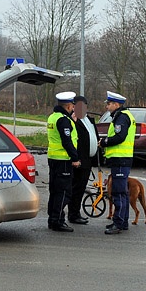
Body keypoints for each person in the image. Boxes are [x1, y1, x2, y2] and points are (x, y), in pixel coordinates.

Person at [99, 91, 135, 235]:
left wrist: (105, 142)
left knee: (119, 192)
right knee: (123, 193)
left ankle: (118, 223)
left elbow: (120, 137)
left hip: (121, 159)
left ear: (116, 104)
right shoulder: (123, 116)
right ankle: (122, 221)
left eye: (109, 104)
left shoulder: (121, 117)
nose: (107, 107)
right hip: (122, 159)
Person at [46, 91, 80, 232]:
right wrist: (75, 158)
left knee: (54, 191)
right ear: (67, 106)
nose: (73, 108)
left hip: (53, 159)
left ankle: (53, 218)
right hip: (63, 160)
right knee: (64, 192)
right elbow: (67, 141)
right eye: (72, 105)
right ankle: (57, 220)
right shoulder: (63, 120)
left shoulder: (53, 117)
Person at [68, 95, 98, 225]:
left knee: (81, 188)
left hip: (88, 160)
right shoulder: (72, 120)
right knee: (76, 189)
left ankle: (75, 212)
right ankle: (73, 214)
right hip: (78, 161)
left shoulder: (89, 120)